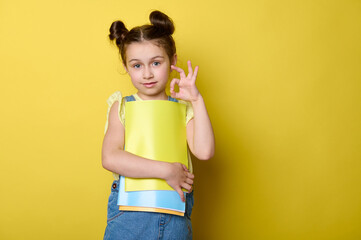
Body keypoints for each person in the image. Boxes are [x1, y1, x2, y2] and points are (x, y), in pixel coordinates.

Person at [102, 10, 215, 240]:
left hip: (175, 217)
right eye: (136, 65)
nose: (147, 74)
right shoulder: (122, 106)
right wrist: (166, 170)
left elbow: (204, 151)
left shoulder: (184, 109)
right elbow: (110, 157)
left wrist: (196, 99)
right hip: (128, 218)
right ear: (125, 66)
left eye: (156, 62)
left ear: (172, 60)